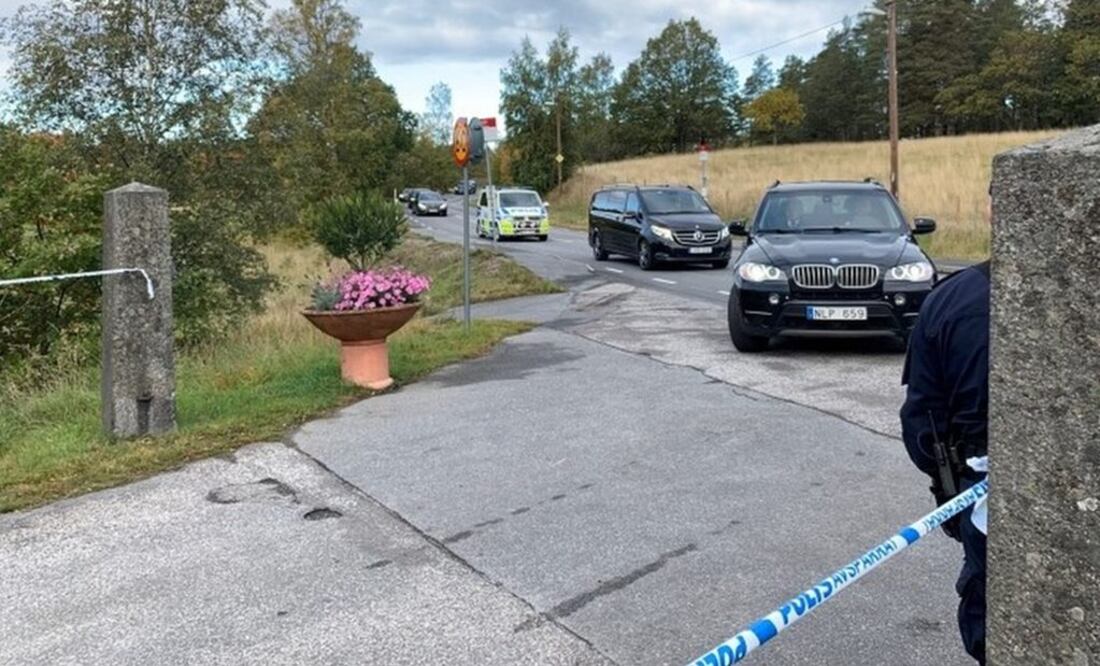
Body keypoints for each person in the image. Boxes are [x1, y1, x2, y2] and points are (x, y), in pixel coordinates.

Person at [900, 248, 990, 664]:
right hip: (973, 482)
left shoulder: (952, 298)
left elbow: (922, 420)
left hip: (977, 488)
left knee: (990, 612)